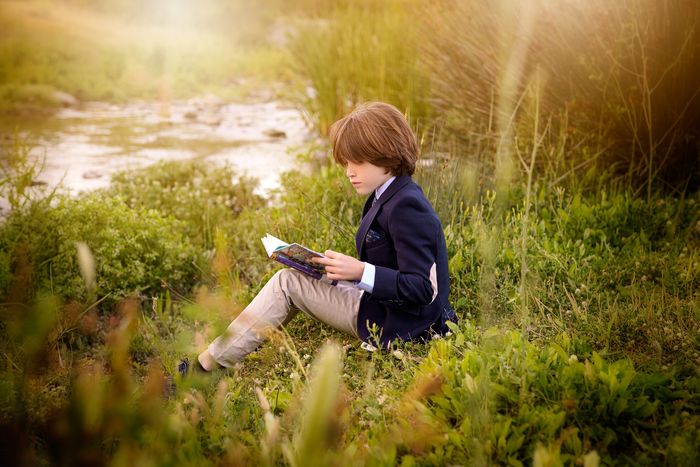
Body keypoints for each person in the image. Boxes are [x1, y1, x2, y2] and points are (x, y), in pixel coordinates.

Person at [179, 101, 455, 375]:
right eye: (346, 162)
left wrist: (361, 271)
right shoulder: (387, 194)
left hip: (400, 324)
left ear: (387, 154)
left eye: (357, 161)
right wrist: (335, 270)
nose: (349, 171)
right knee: (296, 275)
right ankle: (212, 360)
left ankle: (204, 368)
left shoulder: (407, 206)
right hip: (381, 304)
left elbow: (421, 289)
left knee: (286, 283)